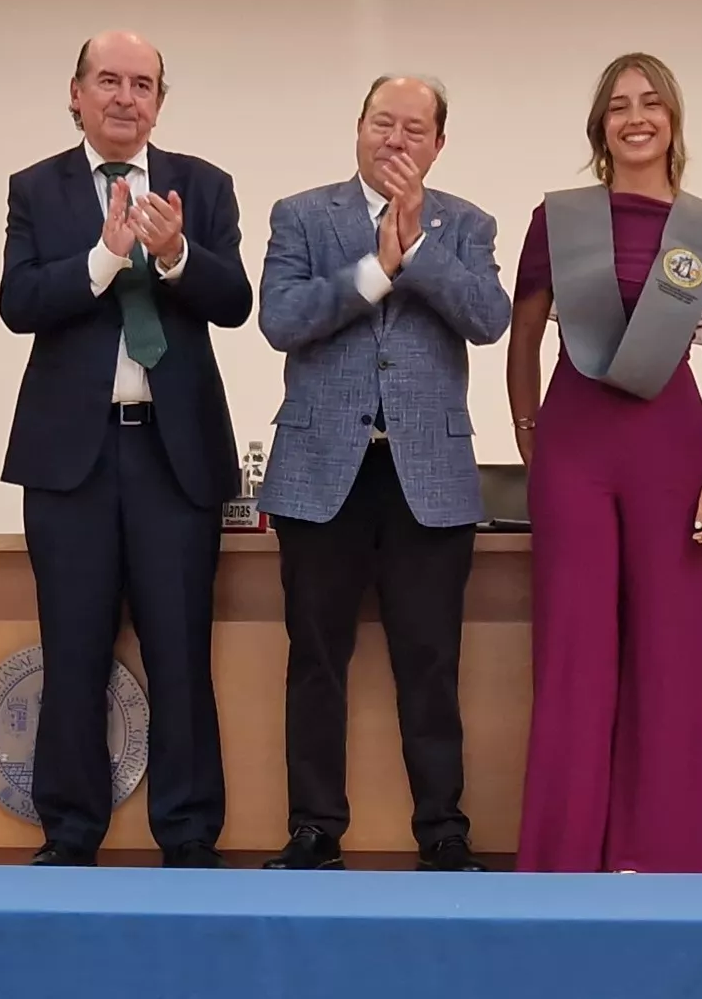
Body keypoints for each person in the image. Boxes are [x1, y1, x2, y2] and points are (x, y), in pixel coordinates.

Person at [0, 30, 253, 868]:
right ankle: (69, 832)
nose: (124, 97)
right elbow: (19, 303)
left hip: (171, 458)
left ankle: (187, 834)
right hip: (70, 460)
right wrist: (106, 257)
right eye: (107, 81)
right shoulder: (37, 188)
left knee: (181, 652)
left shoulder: (201, 186)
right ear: (74, 93)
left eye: (141, 84)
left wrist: (177, 254)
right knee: (71, 650)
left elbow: (234, 301)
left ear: (158, 102)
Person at [255, 75, 512, 873]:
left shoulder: (466, 225)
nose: (394, 140)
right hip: (320, 470)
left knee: (430, 661)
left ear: (438, 144)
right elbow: (279, 319)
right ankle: (313, 827)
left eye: (413, 129)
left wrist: (418, 252)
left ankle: (442, 829)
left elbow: (489, 317)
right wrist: (374, 269)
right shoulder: (301, 215)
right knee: (316, 657)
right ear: (358, 128)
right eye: (381, 123)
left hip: (425, 475)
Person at [504, 52, 702, 873]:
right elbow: (527, 332)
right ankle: (562, 855)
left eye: (649, 103)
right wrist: (529, 431)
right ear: (599, 127)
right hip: (574, 443)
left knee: (667, 650)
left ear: (673, 119)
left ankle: (658, 853)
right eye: (617, 106)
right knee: (573, 650)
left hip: (670, 446)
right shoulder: (559, 219)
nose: (634, 116)